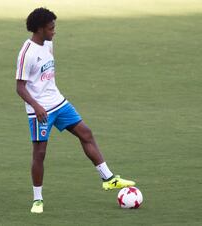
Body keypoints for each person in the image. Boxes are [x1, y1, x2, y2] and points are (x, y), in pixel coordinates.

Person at [15, 7, 135, 214]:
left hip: (58, 102)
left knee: (86, 133)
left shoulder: (48, 44)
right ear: (40, 29)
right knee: (40, 154)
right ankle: (37, 199)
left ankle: (108, 178)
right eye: (51, 28)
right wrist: (36, 106)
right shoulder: (27, 53)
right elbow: (19, 87)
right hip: (40, 111)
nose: (54, 31)